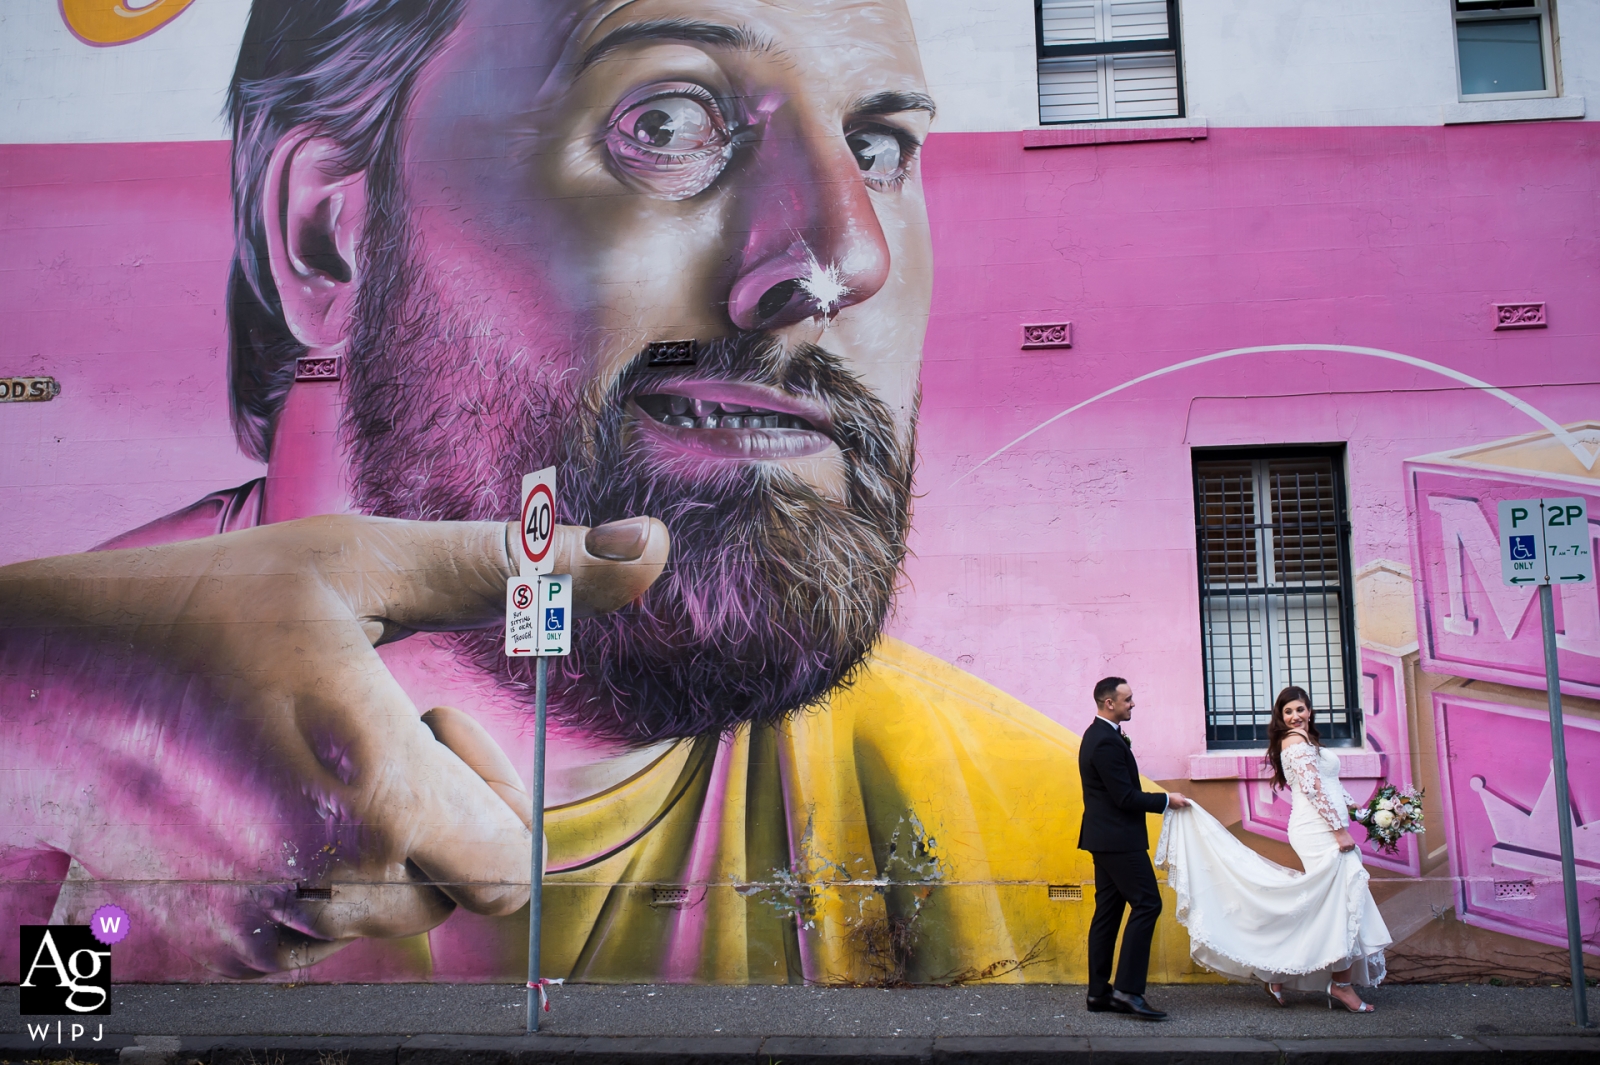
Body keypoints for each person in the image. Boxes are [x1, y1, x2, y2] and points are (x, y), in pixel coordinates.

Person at [0, 0, 1194, 986]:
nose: (847, 256)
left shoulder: (1032, 818)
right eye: (668, 118)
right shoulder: (41, 745)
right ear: (324, 235)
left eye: (879, 148)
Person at [1156, 686, 1391, 1012]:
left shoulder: (1309, 741)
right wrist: (1338, 831)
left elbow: (1331, 787)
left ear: (1310, 710)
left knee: (1326, 905)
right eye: (1288, 712)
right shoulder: (1294, 742)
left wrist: (1366, 816)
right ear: (1281, 718)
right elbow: (1312, 789)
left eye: (1300, 709)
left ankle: (1276, 972)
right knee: (1346, 901)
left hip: (1330, 827)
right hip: (1318, 831)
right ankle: (1341, 986)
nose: (1296, 716)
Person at [1078, 677, 1190, 1020]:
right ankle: (1127, 991)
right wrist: (1167, 800)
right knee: (1147, 904)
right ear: (1109, 703)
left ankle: (1099, 993)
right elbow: (1124, 797)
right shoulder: (1105, 742)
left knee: (1108, 913)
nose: (1133, 704)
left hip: (1105, 839)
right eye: (1128, 699)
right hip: (1117, 841)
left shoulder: (1098, 735)